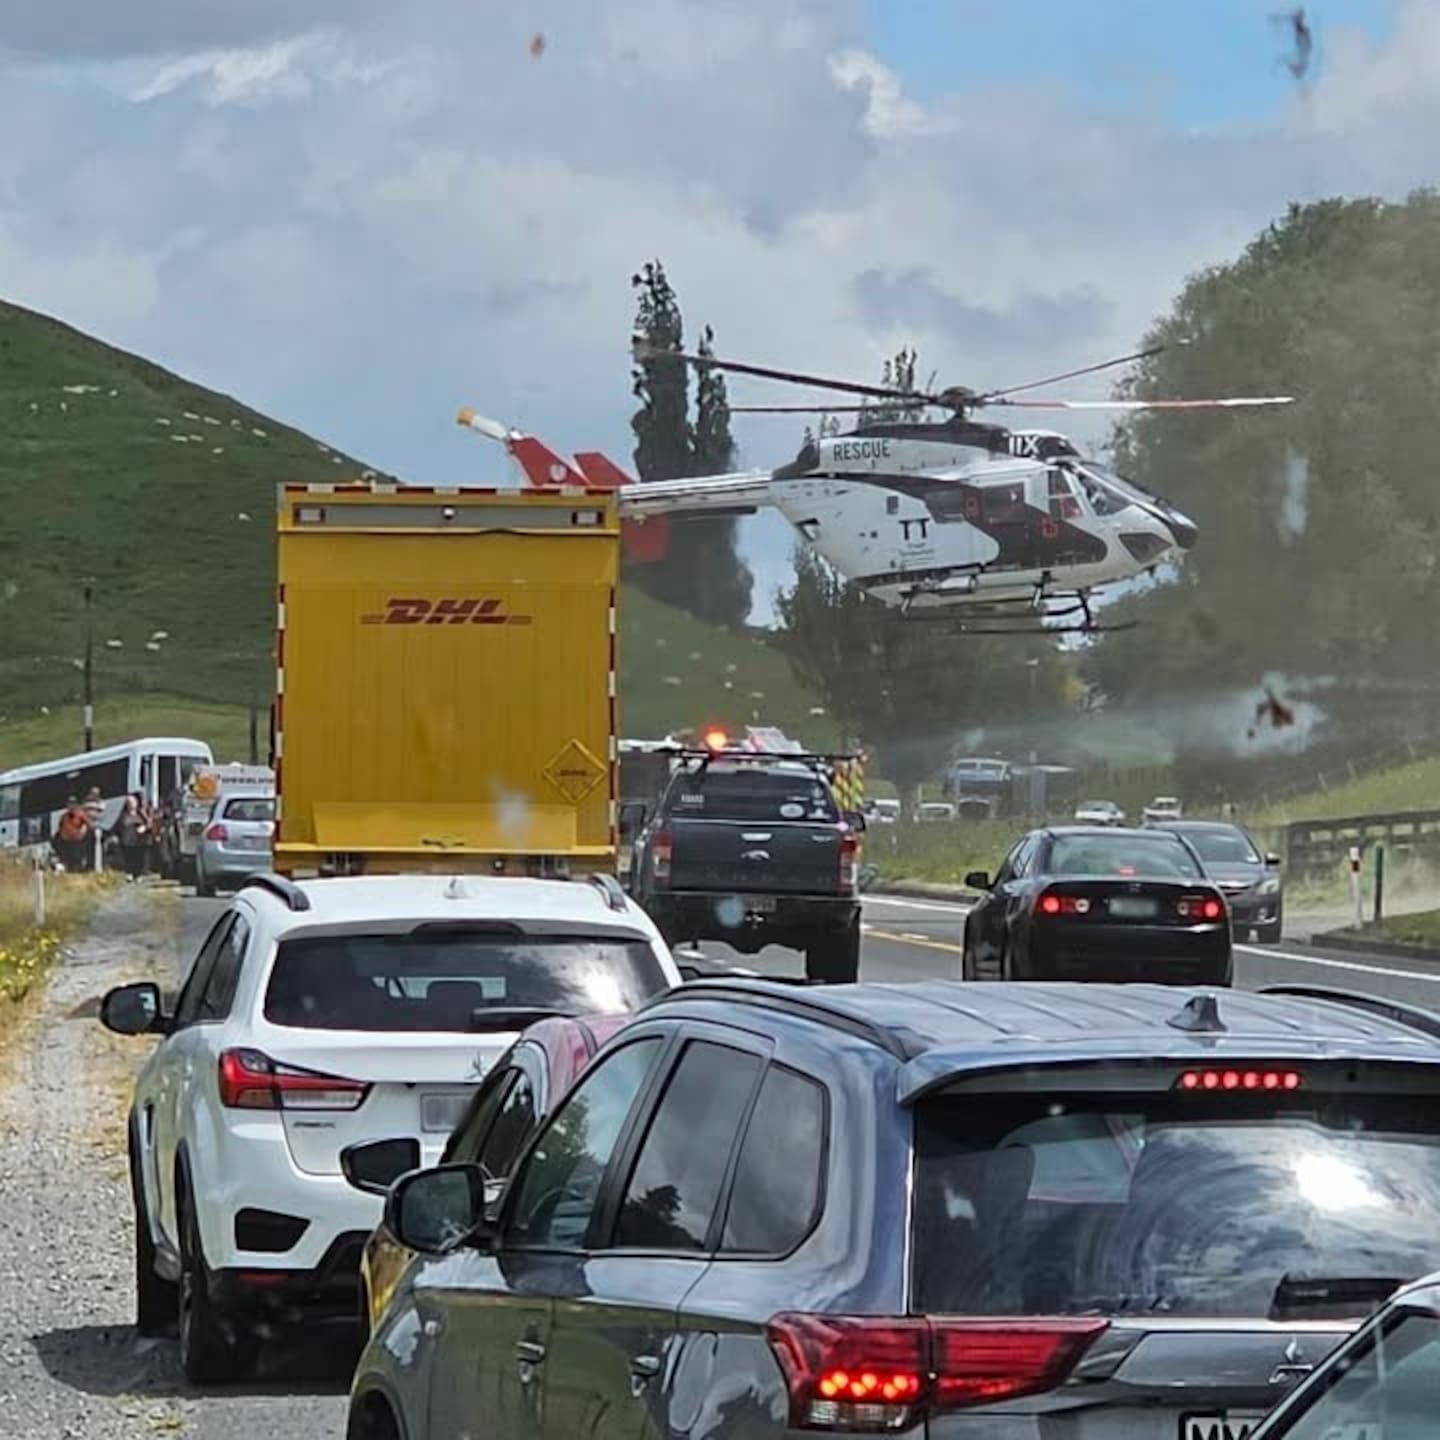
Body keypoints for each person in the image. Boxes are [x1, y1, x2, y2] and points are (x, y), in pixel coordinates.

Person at [112, 795, 150, 881]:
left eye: (133, 802)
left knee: (139, 857)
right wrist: (115, 835)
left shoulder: (141, 813)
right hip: (126, 839)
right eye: (129, 802)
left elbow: (148, 824)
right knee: (128, 857)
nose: (131, 804)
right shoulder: (123, 815)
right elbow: (117, 826)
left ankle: (138, 874)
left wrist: (144, 827)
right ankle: (129, 873)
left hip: (139, 839)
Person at [55, 796, 92, 872]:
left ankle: (78, 871)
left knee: (77, 859)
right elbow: (60, 827)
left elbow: (89, 824)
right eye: (69, 804)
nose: (71, 806)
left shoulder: (81, 814)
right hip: (66, 842)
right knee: (68, 859)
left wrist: (83, 832)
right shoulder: (64, 816)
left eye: (72, 804)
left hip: (77, 841)